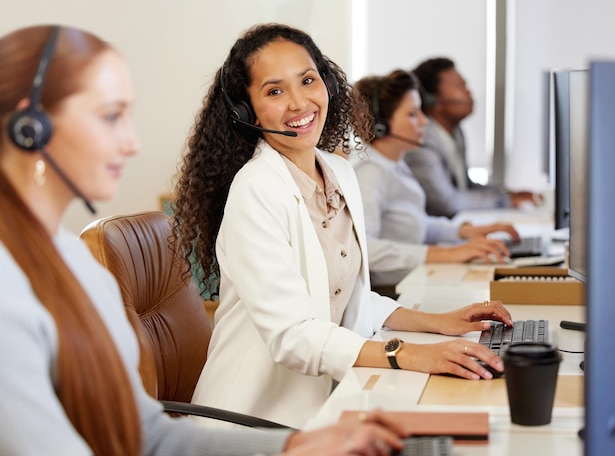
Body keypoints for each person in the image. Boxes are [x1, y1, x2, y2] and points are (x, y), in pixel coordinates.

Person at [0, 24, 413, 456]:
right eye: (110, 116)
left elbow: (150, 435)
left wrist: (296, 446)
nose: (132, 142)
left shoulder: (75, 265)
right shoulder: (9, 292)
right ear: (32, 126)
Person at [171, 23, 513, 430]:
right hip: (253, 420)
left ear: (328, 84)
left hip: (327, 404)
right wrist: (407, 353)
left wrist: (441, 321)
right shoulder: (256, 190)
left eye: (308, 80)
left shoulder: (337, 172)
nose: (299, 103)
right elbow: (293, 334)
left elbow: (349, 301)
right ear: (246, 110)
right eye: (275, 91)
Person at [352, 70, 521, 287]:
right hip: (391, 292)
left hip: (414, 279)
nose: (424, 121)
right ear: (380, 124)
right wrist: (446, 253)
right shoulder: (369, 173)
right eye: (413, 114)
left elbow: (411, 224)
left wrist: (462, 232)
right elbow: (365, 248)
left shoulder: (393, 162)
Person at [404, 57, 541, 218]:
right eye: (460, 86)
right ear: (433, 100)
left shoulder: (455, 133)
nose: (468, 92)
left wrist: (508, 194)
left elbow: (465, 186)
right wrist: (506, 201)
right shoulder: (422, 140)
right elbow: (447, 202)